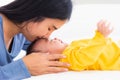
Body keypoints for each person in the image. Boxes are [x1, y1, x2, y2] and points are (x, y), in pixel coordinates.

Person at [0, 0, 72, 79]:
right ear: (34, 14)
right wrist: (23, 67)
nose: (47, 36)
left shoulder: (23, 33)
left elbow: (42, 49)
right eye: (49, 28)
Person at [27, 20, 120, 71]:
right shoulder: (68, 59)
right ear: (49, 57)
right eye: (51, 41)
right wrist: (101, 37)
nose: (54, 38)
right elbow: (86, 56)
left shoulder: (71, 46)